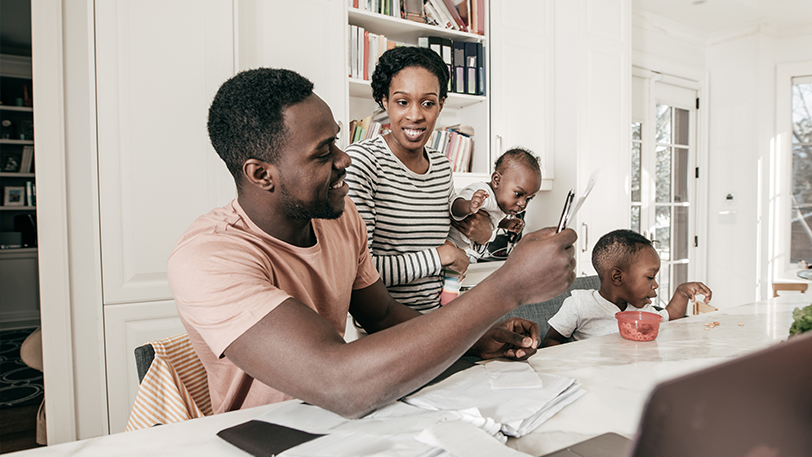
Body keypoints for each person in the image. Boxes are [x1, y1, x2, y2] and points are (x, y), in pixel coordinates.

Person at [167, 68, 577, 419]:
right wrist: (509, 286)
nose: (343, 159)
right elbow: (338, 383)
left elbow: (381, 315)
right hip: (264, 439)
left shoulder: (341, 220)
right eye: (323, 152)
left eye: (337, 142)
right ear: (261, 174)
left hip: (346, 426)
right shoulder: (207, 258)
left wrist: (477, 337)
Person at [345, 46, 492, 312]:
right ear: (383, 100)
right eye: (402, 102)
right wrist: (440, 256)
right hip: (384, 330)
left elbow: (457, 249)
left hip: (440, 321)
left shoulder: (442, 167)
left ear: (441, 104)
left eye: (428, 103)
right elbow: (358, 271)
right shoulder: (361, 162)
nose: (415, 115)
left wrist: (482, 238)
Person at [542, 229, 712, 347]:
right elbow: (550, 341)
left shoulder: (643, 310)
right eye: (650, 277)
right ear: (617, 277)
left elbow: (671, 318)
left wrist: (681, 293)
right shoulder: (579, 304)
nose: (655, 284)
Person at [447, 147, 542, 260]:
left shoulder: (499, 205)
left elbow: (493, 219)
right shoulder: (483, 193)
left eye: (528, 199)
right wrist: (468, 206)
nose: (522, 203)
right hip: (448, 244)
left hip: (460, 251)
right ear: (497, 180)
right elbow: (454, 206)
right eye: (518, 194)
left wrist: (506, 224)